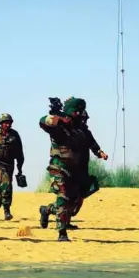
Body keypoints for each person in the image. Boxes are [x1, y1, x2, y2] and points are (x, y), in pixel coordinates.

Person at [38, 97, 89, 241]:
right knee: (63, 197)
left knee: (70, 204)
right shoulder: (58, 126)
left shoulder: (80, 131)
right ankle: (62, 233)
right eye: (76, 112)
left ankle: (46, 210)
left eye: (80, 112)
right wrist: (59, 120)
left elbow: (84, 153)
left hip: (74, 171)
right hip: (59, 167)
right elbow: (42, 121)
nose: (79, 114)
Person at [68, 110, 108, 229]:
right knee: (68, 197)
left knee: (81, 197)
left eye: (85, 119)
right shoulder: (68, 131)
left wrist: (101, 153)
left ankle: (66, 217)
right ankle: (54, 214)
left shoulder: (86, 132)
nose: (84, 121)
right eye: (82, 118)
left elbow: (94, 145)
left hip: (83, 169)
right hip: (70, 169)